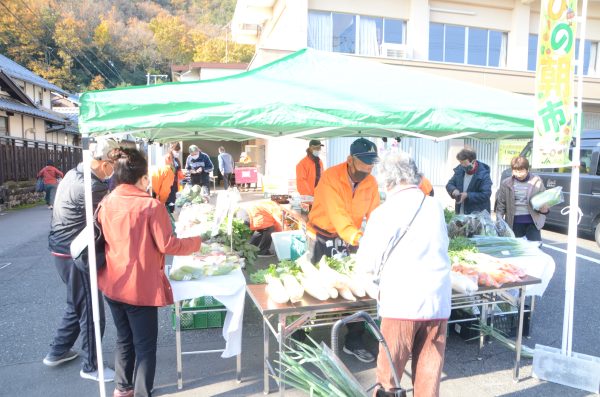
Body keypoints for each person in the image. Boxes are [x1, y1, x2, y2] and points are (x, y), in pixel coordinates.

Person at [97, 148, 201, 397]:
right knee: (144, 346)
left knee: (124, 339)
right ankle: (143, 392)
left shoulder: (106, 201)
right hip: (139, 287)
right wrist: (197, 242)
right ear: (143, 178)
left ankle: (122, 389)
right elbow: (168, 244)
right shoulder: (151, 206)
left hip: (112, 283)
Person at [356, 151, 450, 397]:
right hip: (437, 303)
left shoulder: (384, 213)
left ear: (387, 181)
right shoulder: (434, 206)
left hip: (401, 304)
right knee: (429, 379)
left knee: (389, 379)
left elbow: (367, 263)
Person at [45, 139, 119, 382]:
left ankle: (57, 350)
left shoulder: (73, 173)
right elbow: (111, 217)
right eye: (111, 163)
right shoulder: (90, 186)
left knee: (76, 304)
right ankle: (91, 366)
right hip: (75, 253)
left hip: (62, 249)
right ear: (101, 162)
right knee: (90, 309)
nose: (114, 168)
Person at [306, 137, 380, 363]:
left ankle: (353, 340)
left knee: (355, 289)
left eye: (372, 163)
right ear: (350, 160)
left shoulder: (371, 182)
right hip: (321, 235)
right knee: (313, 289)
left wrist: (379, 237)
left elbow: (376, 215)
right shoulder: (331, 178)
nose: (369, 168)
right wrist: (360, 239)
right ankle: (303, 334)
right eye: (365, 163)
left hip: (350, 238)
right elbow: (338, 216)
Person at [496, 156, 550, 241]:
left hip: (533, 222)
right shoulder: (506, 183)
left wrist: (545, 209)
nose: (518, 174)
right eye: (515, 171)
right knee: (516, 248)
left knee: (535, 248)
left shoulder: (537, 181)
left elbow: (544, 200)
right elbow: (501, 203)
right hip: (514, 222)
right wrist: (499, 219)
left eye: (521, 171)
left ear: (527, 169)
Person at [446, 148, 493, 215]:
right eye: (460, 162)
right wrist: (453, 190)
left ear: (473, 162)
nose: (462, 165)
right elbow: (450, 184)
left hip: (477, 216)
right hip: (461, 213)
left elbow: (486, 194)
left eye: (464, 163)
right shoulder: (459, 170)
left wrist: (468, 195)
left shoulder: (483, 174)